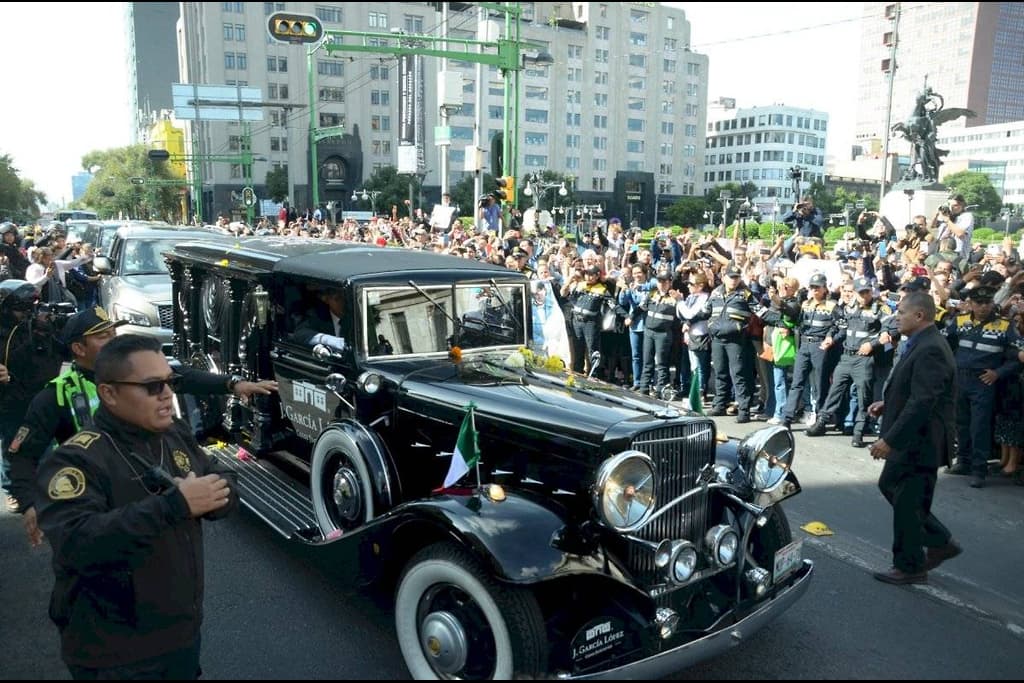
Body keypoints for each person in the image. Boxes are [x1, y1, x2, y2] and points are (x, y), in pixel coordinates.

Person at [35, 334, 237, 679]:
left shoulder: (174, 433)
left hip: (181, 638)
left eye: (170, 382)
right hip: (115, 653)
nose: (168, 394)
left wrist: (212, 500)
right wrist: (173, 506)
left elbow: (222, 479)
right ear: (109, 393)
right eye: (152, 386)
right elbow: (75, 542)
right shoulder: (77, 459)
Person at [8, 306, 277, 547]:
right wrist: (30, 503)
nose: (162, 394)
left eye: (114, 332)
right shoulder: (56, 397)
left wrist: (232, 384)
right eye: (103, 336)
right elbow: (23, 455)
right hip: (102, 509)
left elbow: (186, 378)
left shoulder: (173, 426)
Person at [867, 291, 961, 585]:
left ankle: (910, 565)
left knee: (908, 500)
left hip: (920, 442)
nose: (897, 317)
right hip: (914, 439)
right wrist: (888, 403)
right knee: (897, 491)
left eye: (901, 313)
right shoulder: (920, 342)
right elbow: (915, 390)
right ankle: (939, 541)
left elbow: (923, 402)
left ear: (919, 315)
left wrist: (890, 440)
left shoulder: (931, 347)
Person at [0, 279, 64, 512]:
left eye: (31, 308)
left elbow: (65, 350)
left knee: (46, 445)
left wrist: (51, 330)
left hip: (43, 397)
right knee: (13, 446)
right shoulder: (5, 334)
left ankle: (43, 487)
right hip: (12, 402)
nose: (27, 314)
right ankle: (13, 489)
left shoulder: (42, 326)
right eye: (21, 309)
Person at [292, 287, 348, 353]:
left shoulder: (357, 317)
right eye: (337, 299)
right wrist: (328, 340)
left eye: (346, 299)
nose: (343, 303)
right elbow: (300, 333)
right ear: (326, 300)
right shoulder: (318, 316)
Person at [929, 194, 974, 263]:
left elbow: (960, 234)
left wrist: (947, 220)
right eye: (949, 204)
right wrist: (936, 214)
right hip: (941, 255)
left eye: (955, 205)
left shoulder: (966, 216)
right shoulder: (948, 215)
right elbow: (932, 226)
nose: (951, 207)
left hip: (957, 258)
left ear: (962, 205)